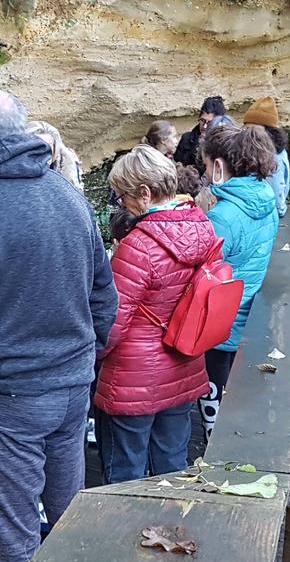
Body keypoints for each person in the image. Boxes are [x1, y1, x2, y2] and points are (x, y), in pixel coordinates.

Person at [0, 88, 118, 562]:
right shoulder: (68, 196)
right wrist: (86, 357)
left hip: (8, 397)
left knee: (18, 534)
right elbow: (105, 295)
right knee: (66, 514)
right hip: (71, 387)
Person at [93, 145, 217, 483]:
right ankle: (170, 529)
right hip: (184, 361)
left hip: (134, 376)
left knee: (126, 470)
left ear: (145, 193)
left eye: (122, 196)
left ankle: (125, 533)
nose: (121, 204)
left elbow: (112, 324)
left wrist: (92, 356)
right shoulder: (202, 226)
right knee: (173, 461)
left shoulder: (137, 245)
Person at [197, 124, 279, 441]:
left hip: (219, 327)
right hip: (250, 316)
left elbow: (201, 269)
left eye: (206, 165)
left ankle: (216, 463)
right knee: (237, 401)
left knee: (213, 405)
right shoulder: (265, 198)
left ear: (219, 166)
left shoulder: (225, 215)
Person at [242, 96, 290, 217]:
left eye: (254, 130)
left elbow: (276, 193)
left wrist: (280, 211)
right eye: (246, 129)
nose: (249, 134)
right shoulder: (256, 150)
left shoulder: (275, 157)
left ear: (269, 131)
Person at [174, 96, 226, 173]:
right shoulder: (187, 139)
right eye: (202, 120)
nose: (205, 126)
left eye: (209, 122)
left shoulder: (225, 143)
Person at [26, 120, 84, 191]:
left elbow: (75, 196)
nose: (43, 152)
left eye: (48, 146)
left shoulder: (68, 164)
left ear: (55, 147)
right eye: (37, 147)